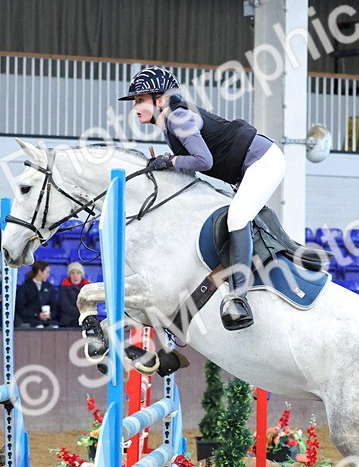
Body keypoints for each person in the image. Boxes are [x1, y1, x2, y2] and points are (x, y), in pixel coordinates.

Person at [120, 66, 286, 330]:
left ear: (160, 100)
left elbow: (203, 160)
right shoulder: (169, 124)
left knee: (237, 218)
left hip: (263, 160)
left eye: (140, 100)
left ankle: (238, 298)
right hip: (247, 166)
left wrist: (170, 160)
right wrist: (168, 163)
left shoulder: (178, 118)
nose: (135, 107)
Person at [15, 261, 58, 328]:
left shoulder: (50, 287)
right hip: (30, 320)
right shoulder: (24, 288)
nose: (48, 275)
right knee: (39, 327)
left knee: (55, 327)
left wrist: (50, 314)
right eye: (47, 272)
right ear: (40, 272)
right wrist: (36, 314)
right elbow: (21, 308)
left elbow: (54, 305)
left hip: (48, 320)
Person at [56, 261, 89, 328]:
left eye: (78, 273)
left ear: (81, 275)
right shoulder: (63, 288)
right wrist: (81, 313)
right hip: (69, 320)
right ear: (69, 276)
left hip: (85, 318)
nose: (75, 276)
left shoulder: (88, 288)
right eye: (72, 273)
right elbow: (65, 307)